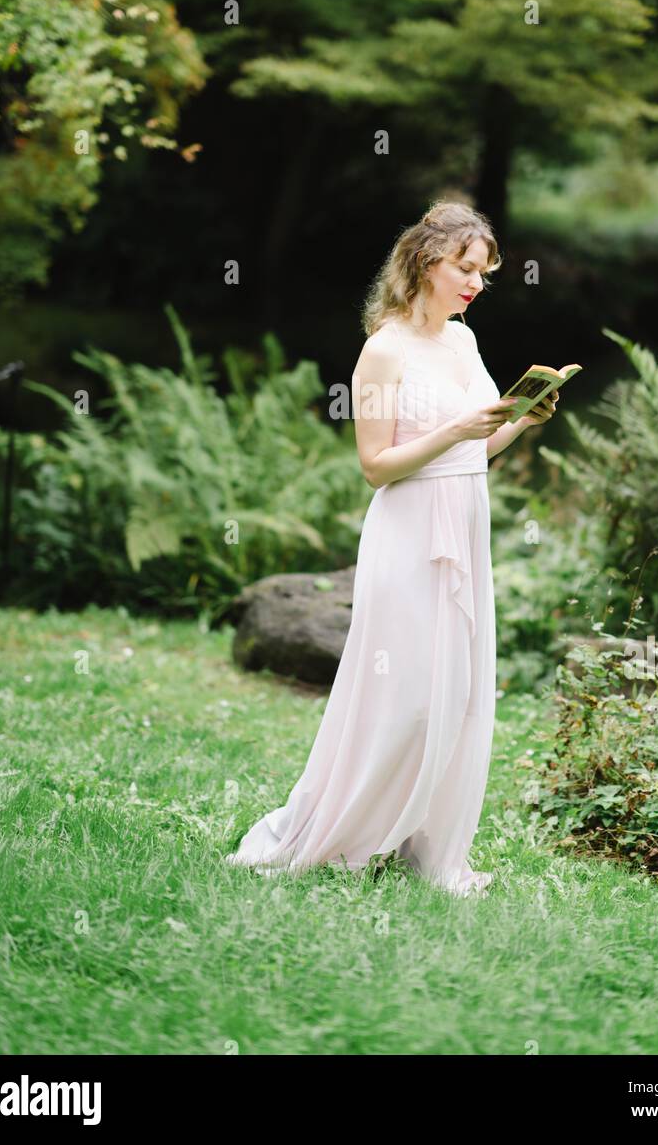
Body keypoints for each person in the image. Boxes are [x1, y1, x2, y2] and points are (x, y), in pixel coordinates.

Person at [226, 199, 558, 896]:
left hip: (463, 518)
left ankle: (425, 846)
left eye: (484, 273)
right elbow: (377, 465)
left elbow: (477, 449)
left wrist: (520, 421)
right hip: (408, 528)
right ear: (423, 263)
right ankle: (344, 830)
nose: (474, 283)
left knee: (455, 692)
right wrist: (460, 429)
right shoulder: (383, 350)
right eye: (464, 268)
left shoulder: (463, 343)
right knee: (402, 694)